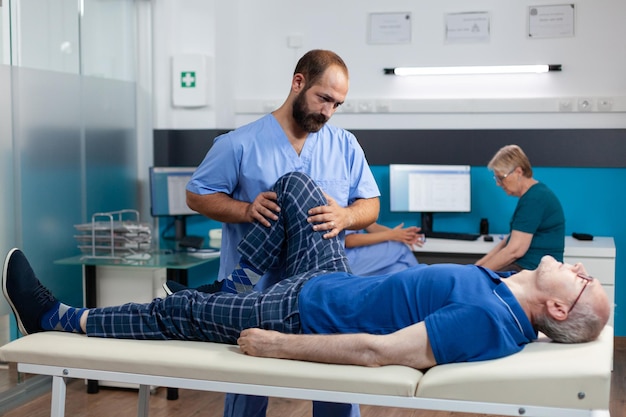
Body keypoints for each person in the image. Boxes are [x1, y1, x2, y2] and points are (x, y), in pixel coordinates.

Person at [3, 173, 610, 378]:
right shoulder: (500, 290)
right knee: (297, 189)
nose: (579, 269)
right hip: (328, 280)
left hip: (298, 314)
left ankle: (57, 316)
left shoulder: (488, 321)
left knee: (176, 311)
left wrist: (281, 347)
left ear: (557, 310)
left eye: (584, 281)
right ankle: (237, 283)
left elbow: (381, 352)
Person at [184, 49, 379, 416]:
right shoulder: (238, 144)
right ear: (298, 82)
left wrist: (346, 216)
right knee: (247, 391)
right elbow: (197, 195)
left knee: (336, 387)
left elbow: (370, 204)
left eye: (337, 104)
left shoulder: (344, 145)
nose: (328, 112)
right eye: (323, 98)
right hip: (252, 289)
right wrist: (245, 209)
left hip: (320, 291)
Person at [475, 144, 565, 272]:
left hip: (533, 269)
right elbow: (509, 241)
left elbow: (514, 251)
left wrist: (477, 274)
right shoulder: (534, 195)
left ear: (518, 172)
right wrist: (477, 267)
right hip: (527, 267)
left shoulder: (535, 198)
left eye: (501, 178)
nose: (498, 183)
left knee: (477, 286)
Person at [344, 223, 423, 276]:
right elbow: (348, 240)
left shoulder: (356, 201)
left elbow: (372, 227)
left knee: (399, 269)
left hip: (357, 256)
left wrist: (403, 235)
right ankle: (423, 287)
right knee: (399, 248)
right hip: (344, 259)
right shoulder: (341, 200)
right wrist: (392, 234)